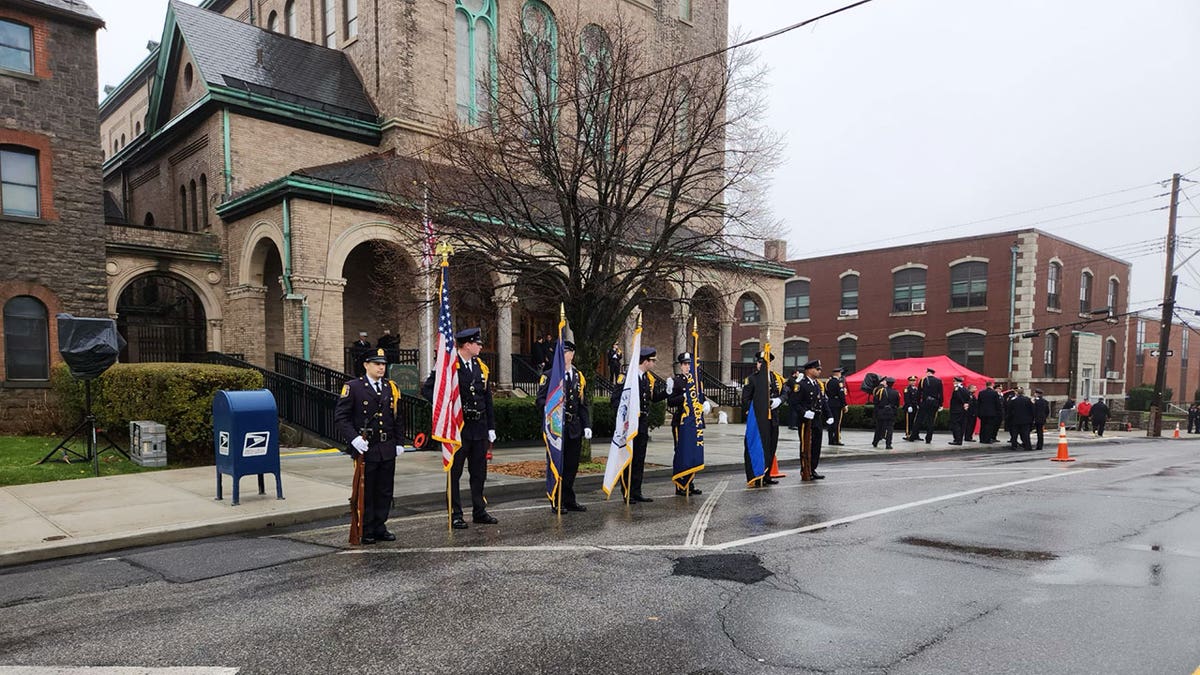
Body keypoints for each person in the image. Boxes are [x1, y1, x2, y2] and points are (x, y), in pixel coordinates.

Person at [421, 327, 498, 529]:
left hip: (479, 427)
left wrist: (491, 426)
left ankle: (479, 511)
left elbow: (486, 398)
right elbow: (429, 390)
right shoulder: (449, 366)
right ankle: (455, 513)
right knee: (454, 473)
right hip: (458, 428)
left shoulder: (480, 367)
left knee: (479, 473)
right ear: (467, 345)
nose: (481, 346)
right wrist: (447, 409)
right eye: (477, 343)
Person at [334, 348, 405, 545]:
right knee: (367, 490)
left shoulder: (391, 387)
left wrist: (399, 442)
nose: (381, 367)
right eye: (377, 364)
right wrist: (354, 439)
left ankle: (380, 525)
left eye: (383, 364)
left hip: (387, 446)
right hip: (367, 447)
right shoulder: (353, 387)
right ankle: (366, 528)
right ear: (366, 365)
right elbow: (341, 418)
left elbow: (397, 417)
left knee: (384, 489)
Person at [535, 340, 590, 513]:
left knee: (571, 466)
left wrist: (586, 424)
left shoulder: (578, 376)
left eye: (569, 352)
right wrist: (554, 406)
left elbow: (582, 403)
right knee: (557, 463)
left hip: (573, 426)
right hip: (556, 428)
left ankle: (568, 498)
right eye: (565, 352)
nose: (567, 355)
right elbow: (540, 400)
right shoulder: (550, 375)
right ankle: (556, 499)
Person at [611, 346, 668, 502]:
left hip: (642, 422)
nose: (654, 364)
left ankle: (636, 491)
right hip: (629, 424)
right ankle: (627, 492)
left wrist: (667, 392)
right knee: (628, 457)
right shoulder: (627, 377)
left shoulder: (647, 378)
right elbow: (616, 400)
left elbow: (653, 398)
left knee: (639, 458)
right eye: (652, 361)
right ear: (645, 361)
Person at [668, 351, 710, 496]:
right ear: (681, 366)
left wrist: (705, 404)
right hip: (681, 423)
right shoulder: (677, 381)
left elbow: (701, 398)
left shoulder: (697, 382)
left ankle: (690, 483)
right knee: (681, 452)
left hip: (694, 423)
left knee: (692, 452)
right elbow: (670, 401)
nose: (687, 367)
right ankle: (680, 485)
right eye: (685, 364)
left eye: (689, 364)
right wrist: (683, 397)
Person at [792, 358, 833, 481]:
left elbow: (823, 401)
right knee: (806, 446)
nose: (819, 371)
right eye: (817, 369)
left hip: (816, 419)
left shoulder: (817, 384)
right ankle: (805, 469)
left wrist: (829, 415)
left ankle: (813, 468)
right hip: (806, 421)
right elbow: (794, 402)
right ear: (809, 370)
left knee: (816, 445)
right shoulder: (801, 384)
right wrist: (804, 413)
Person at [916, 367, 943, 443]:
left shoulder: (923, 380)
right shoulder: (938, 381)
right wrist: (940, 404)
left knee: (919, 420)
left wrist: (918, 403)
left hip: (925, 403)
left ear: (927, 373)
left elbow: (919, 393)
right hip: (934, 403)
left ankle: (913, 436)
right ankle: (928, 439)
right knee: (931, 421)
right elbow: (940, 394)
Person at [872, 376, 900, 449]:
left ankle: (875, 442)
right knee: (890, 429)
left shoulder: (881, 391)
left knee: (879, 428)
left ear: (886, 383)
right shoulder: (896, 392)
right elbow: (897, 404)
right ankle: (888, 444)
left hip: (882, 411)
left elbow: (876, 401)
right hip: (891, 412)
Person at [825, 367, 847, 446]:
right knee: (837, 423)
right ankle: (837, 440)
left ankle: (830, 439)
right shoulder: (838, 382)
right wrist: (845, 404)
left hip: (830, 403)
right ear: (838, 373)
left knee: (831, 422)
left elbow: (826, 392)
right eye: (840, 373)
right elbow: (841, 395)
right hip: (837, 404)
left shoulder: (828, 382)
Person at [948, 376, 969, 445]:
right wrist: (966, 405)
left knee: (956, 425)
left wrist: (963, 403)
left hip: (956, 410)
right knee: (961, 425)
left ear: (957, 382)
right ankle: (959, 439)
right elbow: (968, 399)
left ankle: (957, 440)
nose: (953, 383)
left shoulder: (957, 389)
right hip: (963, 410)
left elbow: (958, 398)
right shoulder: (965, 389)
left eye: (954, 381)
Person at [902, 375, 920, 441]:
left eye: (914, 381)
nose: (913, 382)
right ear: (909, 382)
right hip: (909, 407)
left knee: (915, 422)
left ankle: (916, 435)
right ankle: (908, 434)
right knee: (909, 421)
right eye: (911, 381)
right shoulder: (907, 389)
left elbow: (918, 398)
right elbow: (907, 399)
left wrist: (918, 404)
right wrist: (909, 405)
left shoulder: (916, 389)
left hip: (915, 407)